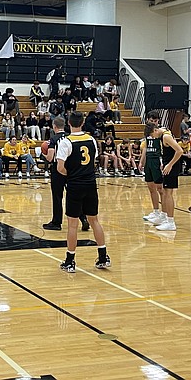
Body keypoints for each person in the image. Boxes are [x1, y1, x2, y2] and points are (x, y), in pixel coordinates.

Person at [57, 111, 110, 272]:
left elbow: (60, 168)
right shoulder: (91, 140)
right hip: (90, 184)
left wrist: (72, 174)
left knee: (72, 225)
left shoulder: (66, 142)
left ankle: (70, 261)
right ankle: (103, 257)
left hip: (75, 185)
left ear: (69, 123)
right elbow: (92, 161)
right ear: (82, 123)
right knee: (94, 220)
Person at [140, 120, 184, 231]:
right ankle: (166, 219)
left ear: (155, 130)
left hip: (172, 166)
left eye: (152, 135)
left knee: (168, 193)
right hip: (167, 165)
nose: (153, 138)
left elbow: (180, 151)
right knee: (166, 192)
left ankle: (171, 222)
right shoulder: (161, 135)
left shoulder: (165, 137)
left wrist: (169, 165)